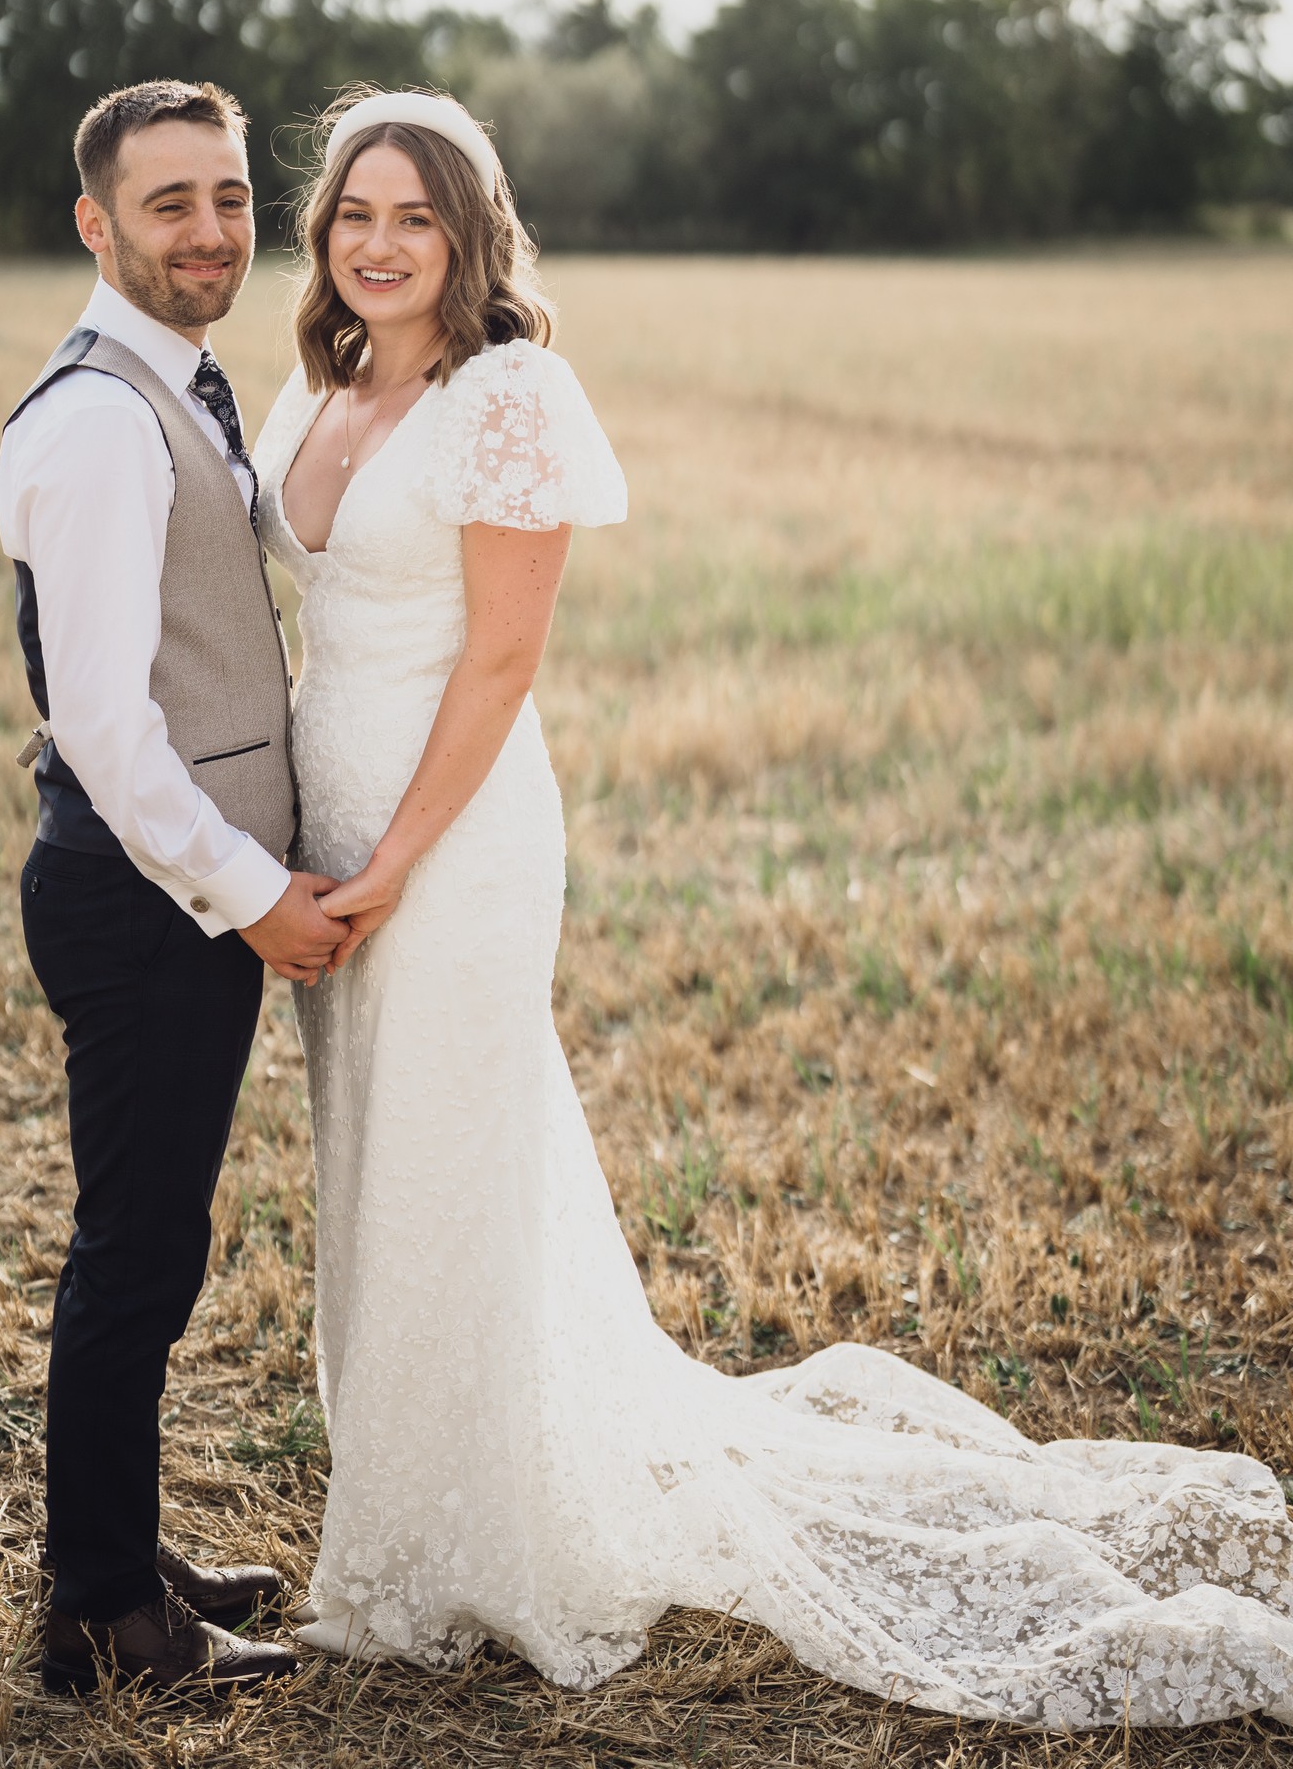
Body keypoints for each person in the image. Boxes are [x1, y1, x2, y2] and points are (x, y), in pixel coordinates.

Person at [251, 85, 1293, 1728]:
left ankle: (474, 1544)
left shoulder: (507, 392)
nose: (377, 245)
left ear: (470, 233)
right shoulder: (319, 380)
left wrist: (391, 863)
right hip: (332, 831)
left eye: (415, 217)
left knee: (454, 1152)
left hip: (448, 841)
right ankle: (411, 1493)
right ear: (323, 234)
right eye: (353, 215)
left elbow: (506, 658)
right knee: (380, 1160)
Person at [0, 78, 343, 1697]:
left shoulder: (184, 386)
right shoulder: (95, 423)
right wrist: (249, 892)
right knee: (136, 1253)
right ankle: (102, 1620)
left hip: (169, 903)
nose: (210, 231)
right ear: (96, 223)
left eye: (230, 198)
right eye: (169, 204)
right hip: (144, 906)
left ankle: (119, 1553)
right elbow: (112, 735)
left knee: (154, 1243)